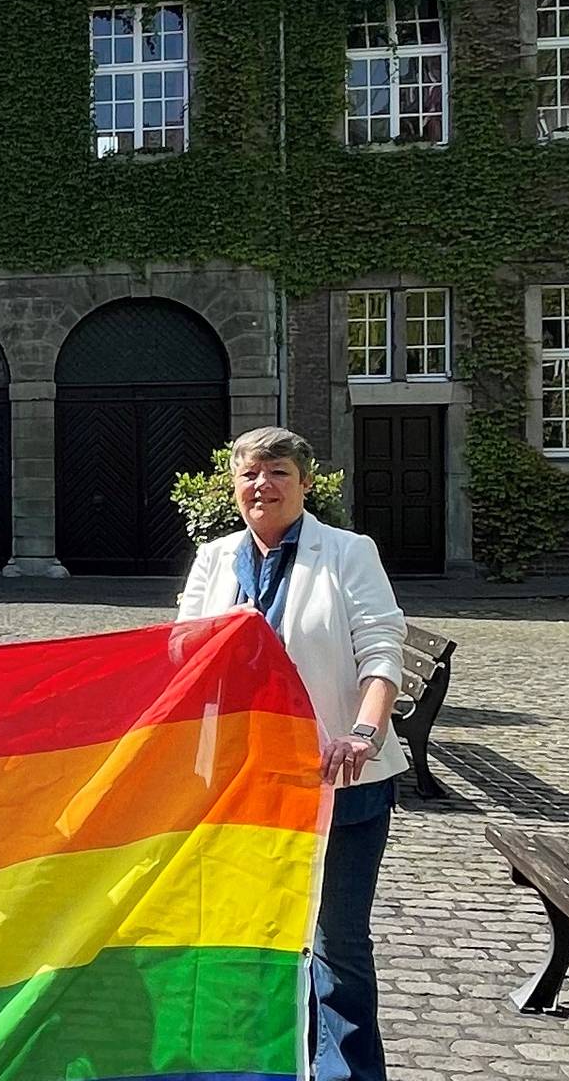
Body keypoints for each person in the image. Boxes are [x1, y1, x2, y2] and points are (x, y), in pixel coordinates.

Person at [174, 426, 407, 1081]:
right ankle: (273, 1064)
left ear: (306, 484)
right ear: (233, 486)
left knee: (339, 949)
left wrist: (362, 734)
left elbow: (382, 654)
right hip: (244, 784)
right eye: (250, 474)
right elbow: (180, 653)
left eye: (278, 473)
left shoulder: (349, 554)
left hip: (341, 781)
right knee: (259, 941)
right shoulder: (215, 560)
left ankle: (350, 1074)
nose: (262, 486)